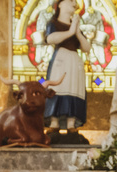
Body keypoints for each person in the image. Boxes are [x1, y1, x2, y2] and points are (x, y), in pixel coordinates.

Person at [44, 0, 91, 134]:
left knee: (74, 88)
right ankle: (54, 122)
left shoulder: (76, 28)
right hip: (61, 60)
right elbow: (50, 39)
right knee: (58, 87)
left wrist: (76, 32)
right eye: (69, 0)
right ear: (59, 4)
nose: (73, 3)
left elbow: (86, 48)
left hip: (74, 62)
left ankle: (71, 123)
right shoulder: (54, 24)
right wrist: (70, 32)